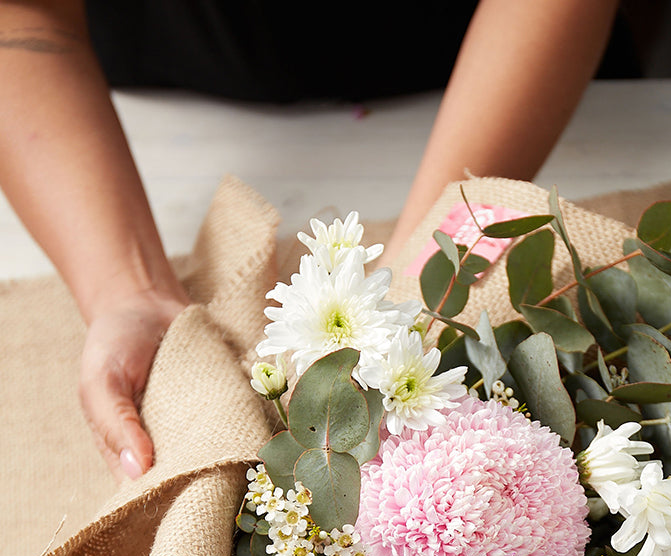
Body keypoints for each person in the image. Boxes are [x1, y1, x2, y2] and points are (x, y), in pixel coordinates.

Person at [0, 0, 621, 481]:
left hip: (492, 66)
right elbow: (26, 17)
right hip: (145, 87)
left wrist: (418, 277)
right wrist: (126, 290)